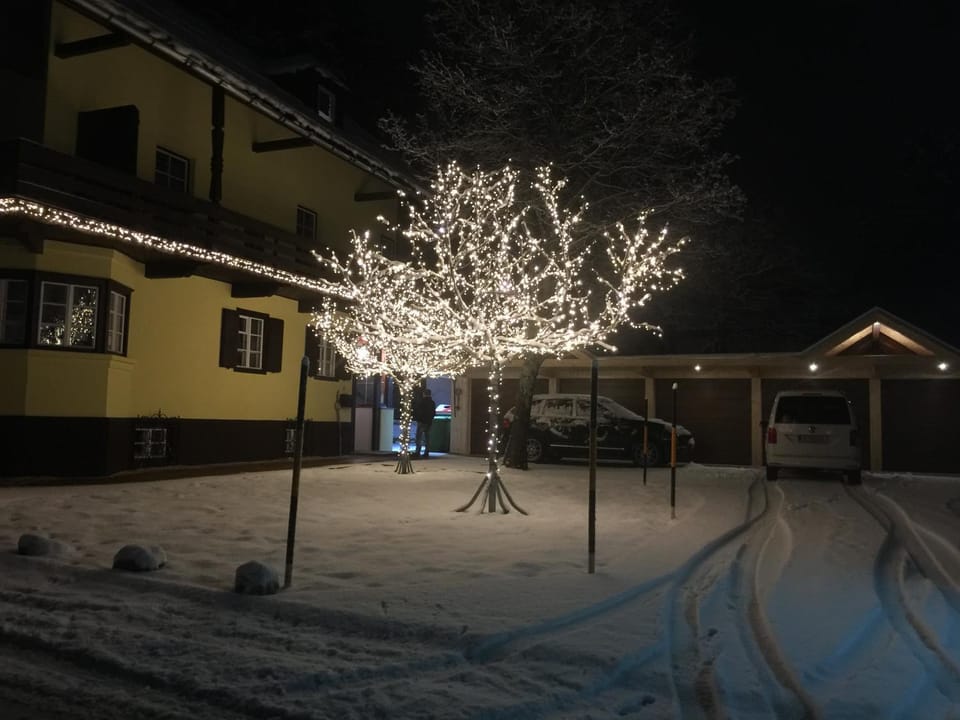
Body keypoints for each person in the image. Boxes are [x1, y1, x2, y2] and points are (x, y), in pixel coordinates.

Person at [413, 388, 437, 458]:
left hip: (422, 421)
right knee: (427, 437)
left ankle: (418, 451)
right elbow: (433, 412)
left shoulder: (422, 402)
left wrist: (418, 419)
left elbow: (419, 412)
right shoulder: (432, 402)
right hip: (429, 422)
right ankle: (427, 451)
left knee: (419, 437)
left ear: (424, 394)